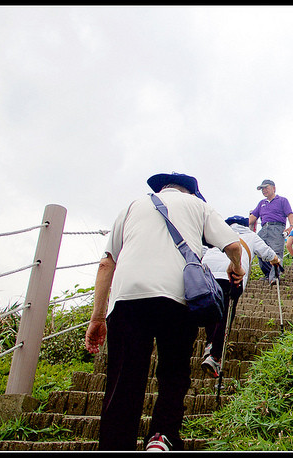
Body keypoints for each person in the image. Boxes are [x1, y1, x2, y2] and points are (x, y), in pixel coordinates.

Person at [84, 172, 245, 451]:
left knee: (123, 379)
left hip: (127, 300)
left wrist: (97, 317)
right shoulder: (199, 206)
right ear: (191, 192)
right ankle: (162, 435)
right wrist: (236, 266)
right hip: (178, 298)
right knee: (174, 371)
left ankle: (115, 444)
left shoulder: (132, 206)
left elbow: (106, 264)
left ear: (161, 189)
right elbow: (232, 245)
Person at [199, 218, 280, 378]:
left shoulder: (221, 232)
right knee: (226, 312)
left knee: (211, 307)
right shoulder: (250, 235)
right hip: (231, 271)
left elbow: (202, 249)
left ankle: (210, 343)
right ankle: (215, 356)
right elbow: (266, 252)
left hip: (207, 268)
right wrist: (276, 261)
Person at [248, 179, 293, 285]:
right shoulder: (261, 203)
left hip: (277, 227)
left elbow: (290, 214)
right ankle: (268, 274)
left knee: (277, 252)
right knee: (258, 250)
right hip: (264, 229)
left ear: (273, 188)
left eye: (266, 188)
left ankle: (275, 277)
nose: (264, 190)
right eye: (262, 189)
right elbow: (253, 216)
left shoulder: (282, 200)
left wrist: (291, 226)